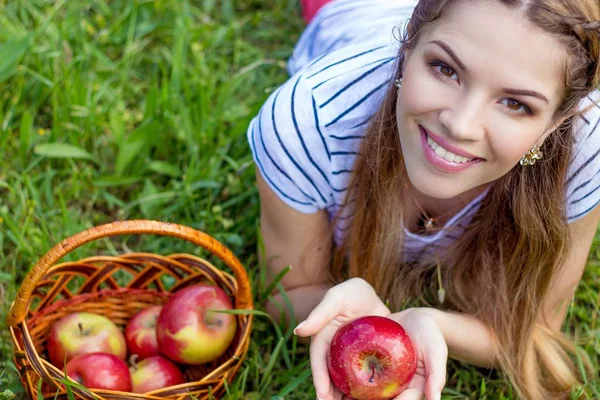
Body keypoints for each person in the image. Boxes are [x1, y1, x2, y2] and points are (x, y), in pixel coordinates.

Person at [246, 0, 600, 399]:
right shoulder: (308, 121)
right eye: (445, 69)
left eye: (515, 104)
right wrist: (342, 312)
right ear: (407, 47)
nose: (460, 125)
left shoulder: (584, 147)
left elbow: (537, 329)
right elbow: (285, 294)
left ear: (554, 124)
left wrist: (428, 323)